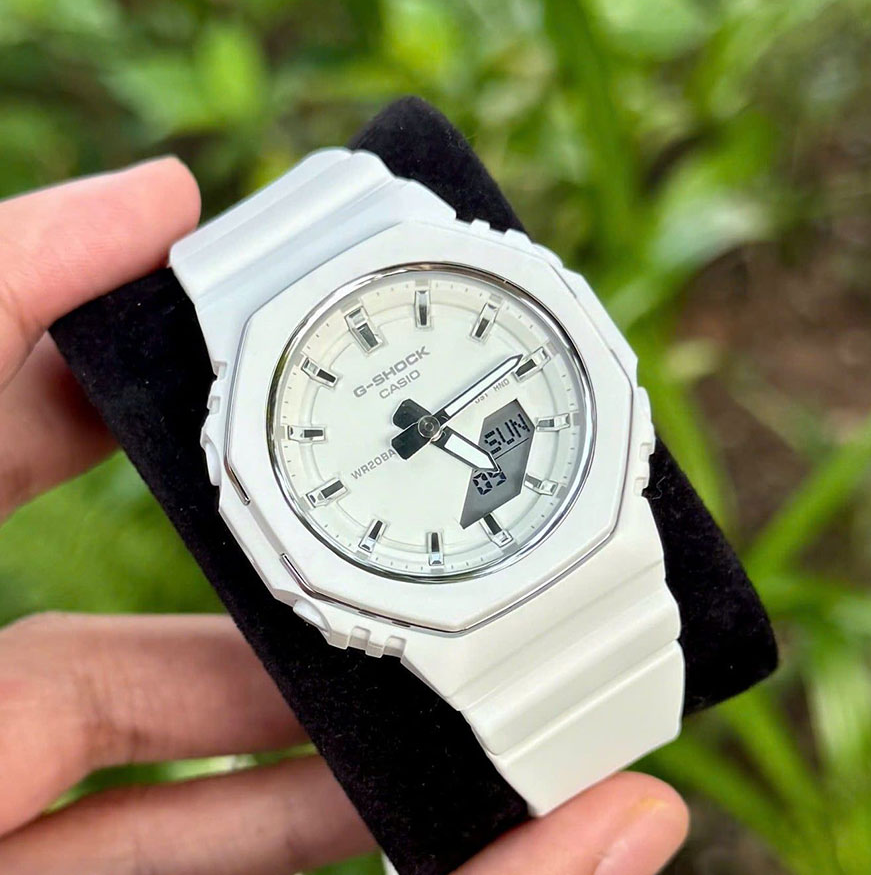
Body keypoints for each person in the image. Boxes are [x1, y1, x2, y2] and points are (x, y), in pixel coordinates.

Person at [0, 158, 689, 874]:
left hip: (603, 544)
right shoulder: (248, 403)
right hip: (457, 630)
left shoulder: (436, 249)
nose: (422, 429)